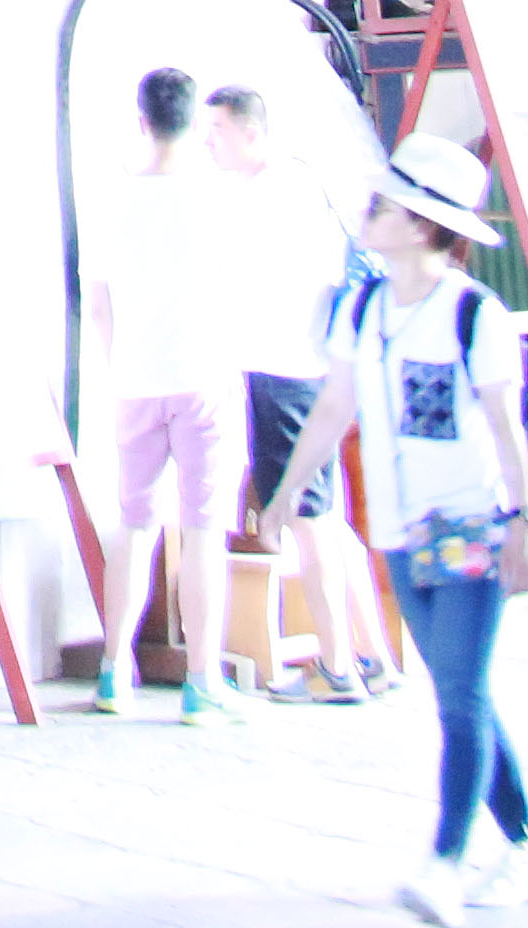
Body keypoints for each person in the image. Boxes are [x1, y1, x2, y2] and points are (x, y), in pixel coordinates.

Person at [261, 136, 528, 922]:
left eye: (385, 205)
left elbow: (503, 423)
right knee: (463, 692)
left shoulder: (473, 314)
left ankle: (447, 861)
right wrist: (288, 491)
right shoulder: (361, 307)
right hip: (397, 528)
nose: (370, 213)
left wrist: (523, 520)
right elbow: (333, 407)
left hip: (470, 525)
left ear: (424, 225)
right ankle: (524, 845)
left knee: (458, 693)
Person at [200, 81, 380, 700]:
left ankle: (336, 668)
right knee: (328, 521)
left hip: (281, 370)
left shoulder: (269, 194)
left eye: (218, 132)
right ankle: (369, 656)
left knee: (308, 522)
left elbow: (241, 285)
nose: (209, 144)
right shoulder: (300, 183)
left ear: (252, 132)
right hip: (306, 367)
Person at [80, 66, 248, 720]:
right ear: (195, 123)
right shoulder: (221, 198)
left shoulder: (113, 199)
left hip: (135, 381)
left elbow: (97, 303)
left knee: (134, 524)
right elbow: (239, 293)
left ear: (142, 120)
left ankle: (113, 669)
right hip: (206, 376)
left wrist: (118, 362)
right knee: (206, 531)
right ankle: (202, 682)